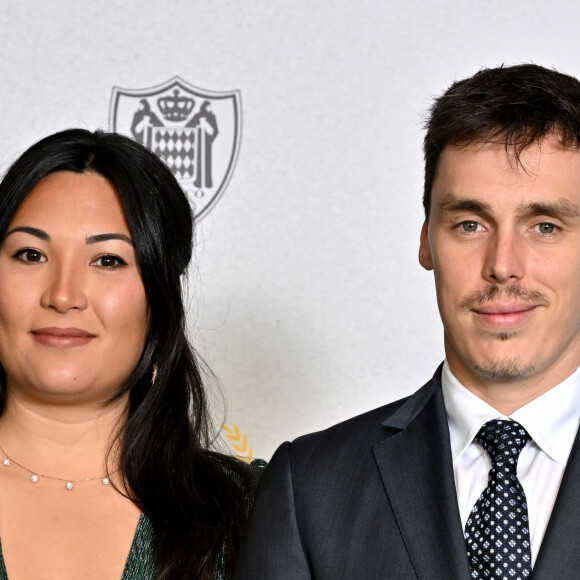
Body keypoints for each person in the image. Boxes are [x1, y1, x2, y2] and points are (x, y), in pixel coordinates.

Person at [234, 63, 580, 580]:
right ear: (426, 241)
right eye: (469, 224)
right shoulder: (308, 489)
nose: (503, 264)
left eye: (545, 226)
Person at [0, 128, 264, 580]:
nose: (63, 296)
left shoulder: (248, 509)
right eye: (30, 254)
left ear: (160, 302)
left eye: (108, 261)